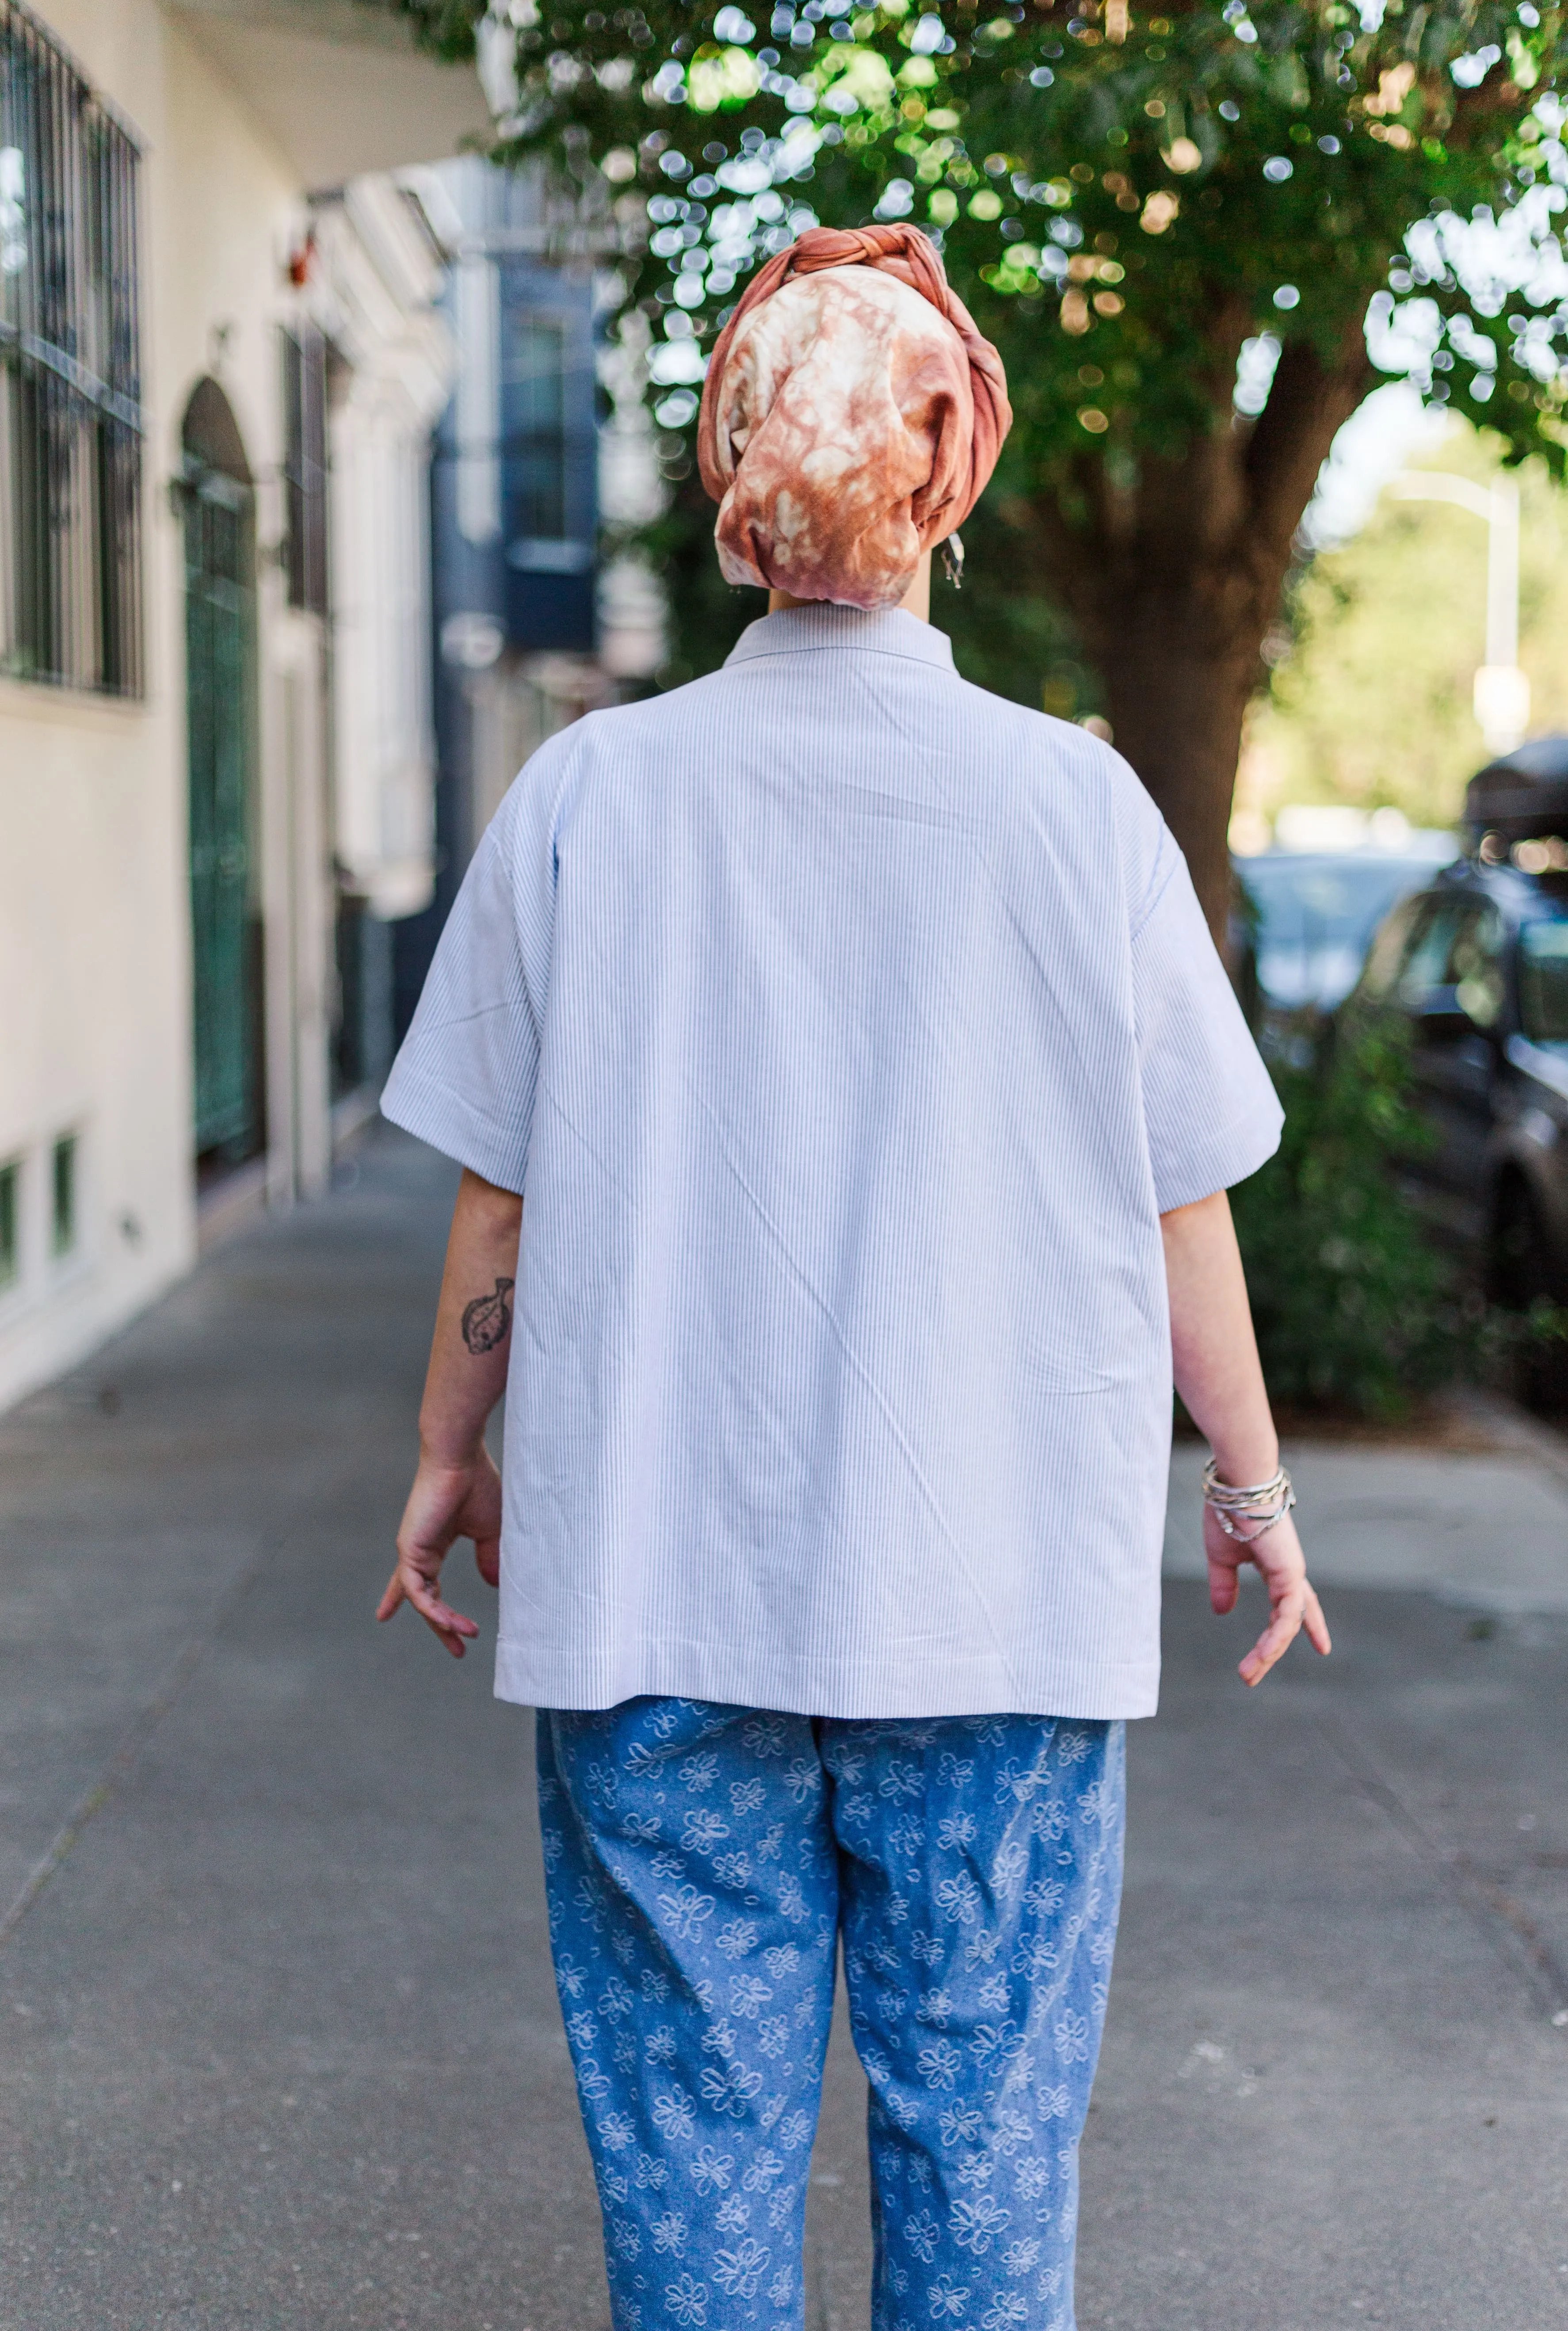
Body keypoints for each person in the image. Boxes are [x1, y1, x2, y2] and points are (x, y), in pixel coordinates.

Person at [376, 223, 1329, 2331]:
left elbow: (500, 1200)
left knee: (693, 2188)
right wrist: (1251, 1488)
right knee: (987, 2168)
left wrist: (449, 1456)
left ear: (731, 468)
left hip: (651, 1604)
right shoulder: (1076, 811)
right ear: (953, 470)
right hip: (991, 1610)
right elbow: (1185, 1202)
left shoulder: (586, 798)